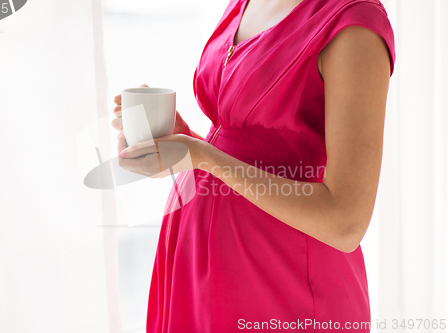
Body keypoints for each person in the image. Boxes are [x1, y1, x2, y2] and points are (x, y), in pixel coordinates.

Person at [112, 0, 395, 331]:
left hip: (281, 287)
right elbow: (244, 146)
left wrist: (203, 155)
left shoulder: (354, 23)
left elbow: (346, 222)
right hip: (197, 272)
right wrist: (183, 141)